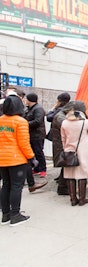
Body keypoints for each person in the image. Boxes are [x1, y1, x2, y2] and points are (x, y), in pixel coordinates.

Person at [0, 95, 35, 226]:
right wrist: (31, 157)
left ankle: (5, 215)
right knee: (16, 186)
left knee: (6, 185)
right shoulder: (20, 122)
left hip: (2, 159)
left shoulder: (0, 120)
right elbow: (24, 143)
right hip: (16, 160)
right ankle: (16, 215)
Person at [61, 102, 88, 206]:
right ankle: (82, 199)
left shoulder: (65, 122)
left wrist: (65, 149)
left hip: (69, 151)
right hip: (83, 151)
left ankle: (73, 199)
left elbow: (63, 138)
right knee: (82, 175)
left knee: (70, 175)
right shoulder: (85, 122)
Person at [24, 93, 47, 178]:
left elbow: (38, 121)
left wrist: (25, 124)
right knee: (32, 152)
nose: (25, 100)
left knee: (39, 152)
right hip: (30, 134)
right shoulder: (28, 109)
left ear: (30, 100)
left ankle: (43, 169)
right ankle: (36, 168)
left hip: (38, 135)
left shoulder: (38, 109)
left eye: (26, 99)